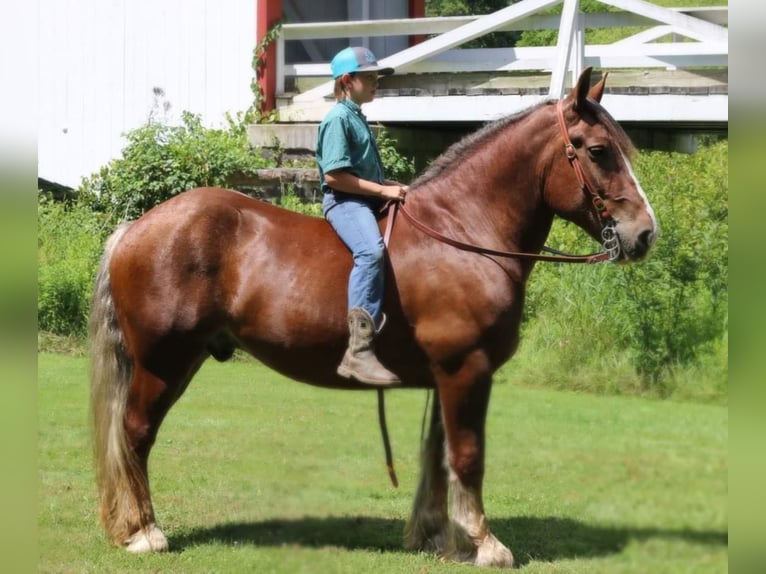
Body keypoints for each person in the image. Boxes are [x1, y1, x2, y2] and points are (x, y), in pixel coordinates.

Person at [316, 46, 408, 387]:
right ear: (346, 80)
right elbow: (335, 176)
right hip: (345, 203)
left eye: (376, 77)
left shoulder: (355, 116)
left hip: (363, 199)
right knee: (371, 252)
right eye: (369, 77)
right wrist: (383, 192)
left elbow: (360, 172)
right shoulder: (338, 118)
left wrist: (390, 186)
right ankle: (358, 352)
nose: (376, 83)